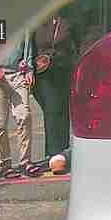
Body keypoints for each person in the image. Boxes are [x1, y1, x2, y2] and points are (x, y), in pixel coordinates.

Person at [0, 31, 43, 179]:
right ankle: (5, 164)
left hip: (17, 74)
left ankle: (25, 161)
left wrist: (29, 68)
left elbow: (27, 44)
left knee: (24, 116)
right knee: (0, 123)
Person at [32, 13, 76, 166]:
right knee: (51, 112)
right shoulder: (36, 24)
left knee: (63, 111)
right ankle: (53, 153)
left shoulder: (67, 22)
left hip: (64, 71)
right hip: (44, 74)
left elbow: (75, 45)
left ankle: (63, 151)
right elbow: (30, 48)